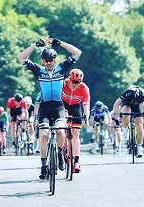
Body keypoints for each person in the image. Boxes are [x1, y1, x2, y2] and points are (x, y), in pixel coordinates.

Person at [18, 36, 82, 179]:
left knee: (60, 131)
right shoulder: (38, 71)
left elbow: (77, 53)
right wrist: (34, 45)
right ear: (43, 61)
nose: (48, 63)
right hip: (45, 108)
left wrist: (59, 43)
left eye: (51, 60)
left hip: (59, 106)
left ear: (55, 60)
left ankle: (59, 154)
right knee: (44, 134)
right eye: (46, 61)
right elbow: (21, 58)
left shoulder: (62, 68)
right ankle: (43, 166)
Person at [61, 68, 90, 173]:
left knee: (76, 133)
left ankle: (76, 161)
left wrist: (86, 117)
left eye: (77, 82)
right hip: (63, 105)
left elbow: (86, 106)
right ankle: (60, 148)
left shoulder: (84, 88)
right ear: (69, 78)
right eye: (72, 81)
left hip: (75, 107)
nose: (74, 84)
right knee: (62, 125)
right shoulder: (63, 84)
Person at [113, 86, 144, 158]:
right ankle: (125, 129)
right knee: (126, 113)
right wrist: (119, 115)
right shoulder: (129, 93)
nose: (136, 102)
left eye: (138, 101)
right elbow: (116, 104)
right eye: (136, 100)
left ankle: (139, 147)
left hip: (138, 107)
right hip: (127, 104)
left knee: (140, 124)